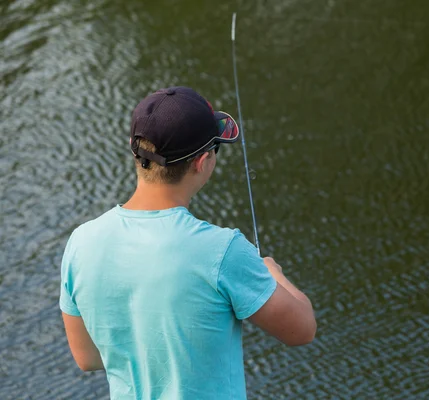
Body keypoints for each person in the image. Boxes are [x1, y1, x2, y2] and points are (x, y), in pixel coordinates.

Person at [59, 86, 316, 399]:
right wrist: (273, 274)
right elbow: (303, 330)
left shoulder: (81, 242)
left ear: (135, 149)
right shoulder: (222, 250)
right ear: (203, 161)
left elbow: (86, 358)